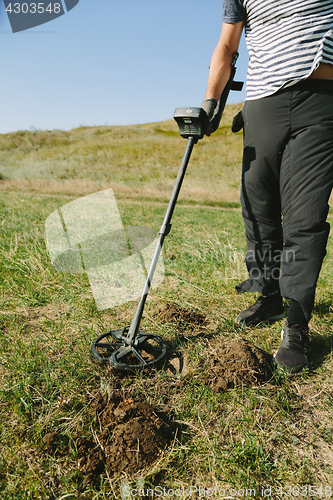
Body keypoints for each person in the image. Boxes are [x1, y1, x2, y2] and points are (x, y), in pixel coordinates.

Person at [201, 0, 333, 373]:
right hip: (261, 104)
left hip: (320, 100)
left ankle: (296, 322)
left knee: (305, 214)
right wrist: (211, 100)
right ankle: (270, 295)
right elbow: (227, 46)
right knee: (258, 205)